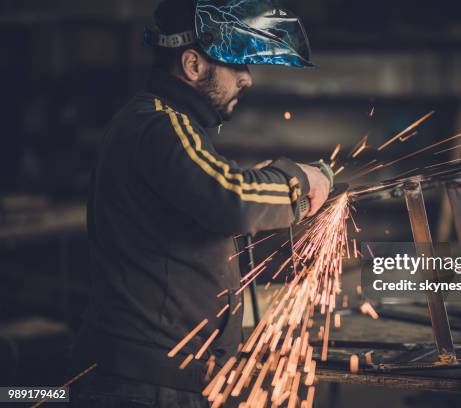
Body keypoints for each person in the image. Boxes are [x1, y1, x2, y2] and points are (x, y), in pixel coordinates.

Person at [72, 0, 330, 406]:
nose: (247, 79)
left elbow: (216, 190)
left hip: (160, 376)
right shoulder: (161, 124)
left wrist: (262, 180)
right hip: (144, 385)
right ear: (193, 65)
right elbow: (231, 201)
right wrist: (299, 179)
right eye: (237, 65)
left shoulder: (162, 124)